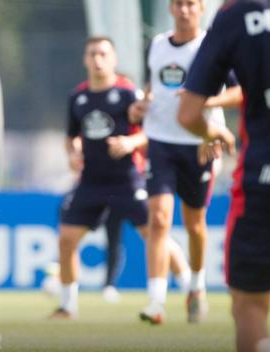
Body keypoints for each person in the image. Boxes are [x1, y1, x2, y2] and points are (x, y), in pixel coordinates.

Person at [178, 0, 270, 352]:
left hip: (265, 179)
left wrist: (211, 132)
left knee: (249, 307)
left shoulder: (233, 16)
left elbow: (189, 113)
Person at [50, 36, 191, 319]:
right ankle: (68, 306)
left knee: (154, 234)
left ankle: (189, 287)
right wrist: (73, 153)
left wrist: (131, 143)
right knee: (66, 239)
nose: (98, 59)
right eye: (93, 54)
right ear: (85, 59)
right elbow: (71, 138)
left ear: (113, 59)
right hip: (91, 180)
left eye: (104, 54)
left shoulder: (129, 94)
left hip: (127, 179)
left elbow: (154, 132)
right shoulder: (77, 97)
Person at [130, 0, 242, 324]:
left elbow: (238, 93)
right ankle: (156, 301)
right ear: (170, 8)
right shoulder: (156, 45)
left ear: (201, 9)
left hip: (199, 145)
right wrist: (142, 105)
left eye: (191, 4)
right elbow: (152, 86)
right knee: (159, 219)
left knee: (194, 224)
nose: (184, 10)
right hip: (161, 143)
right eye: (179, 4)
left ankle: (196, 285)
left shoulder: (213, 46)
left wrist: (206, 102)